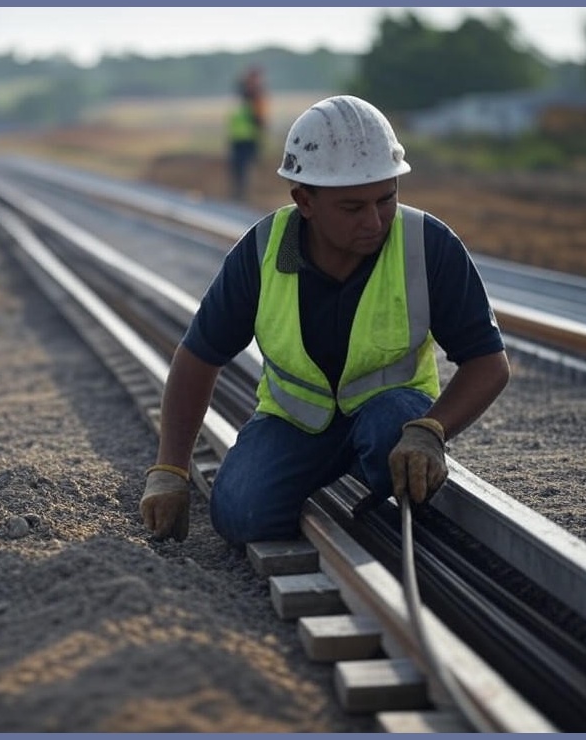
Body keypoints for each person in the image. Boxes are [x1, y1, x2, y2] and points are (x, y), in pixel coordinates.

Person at [141, 94, 511, 546]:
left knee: (390, 433)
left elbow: (488, 363)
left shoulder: (427, 246)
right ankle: (337, 481)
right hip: (294, 423)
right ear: (305, 201)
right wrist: (170, 470)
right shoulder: (262, 252)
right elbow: (199, 357)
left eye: (386, 198)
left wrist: (431, 431)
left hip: (390, 420)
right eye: (353, 208)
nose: (375, 221)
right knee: (240, 515)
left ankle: (373, 479)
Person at [227, 66, 266, 202]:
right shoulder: (244, 95)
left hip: (249, 137)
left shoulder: (256, 97)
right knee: (238, 166)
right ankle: (240, 193)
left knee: (244, 165)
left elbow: (260, 119)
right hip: (238, 137)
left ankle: (245, 194)